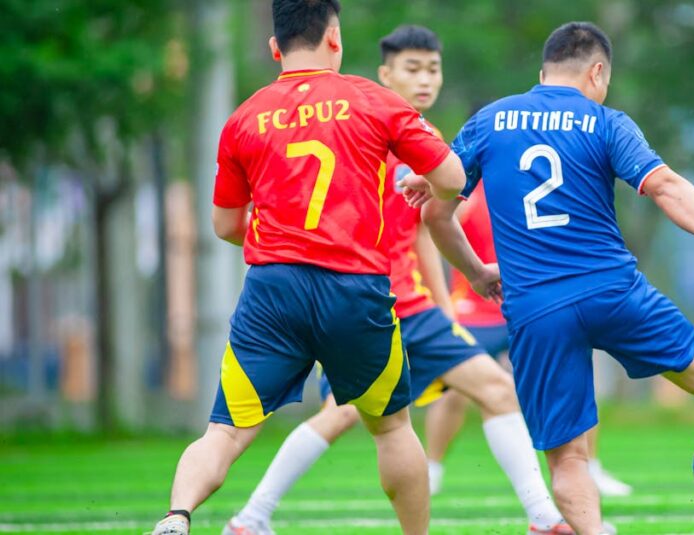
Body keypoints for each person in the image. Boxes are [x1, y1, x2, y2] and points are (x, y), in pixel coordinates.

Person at [418, 21, 694, 535]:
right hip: (611, 290)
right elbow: (664, 186)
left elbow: (436, 217)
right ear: (597, 72)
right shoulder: (605, 122)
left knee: (568, 459)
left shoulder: (487, 121)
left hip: (536, 309)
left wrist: (477, 272)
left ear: (542, 71)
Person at [222, 25, 570, 535]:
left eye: (433, 68)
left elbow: (422, 230)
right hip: (365, 303)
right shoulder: (364, 124)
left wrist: (446, 305)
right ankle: (252, 516)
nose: (425, 78)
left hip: (410, 305)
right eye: (412, 68)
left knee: (496, 390)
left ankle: (542, 516)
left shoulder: (418, 140)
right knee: (340, 416)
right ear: (385, 73)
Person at [150, 3, 468, 535]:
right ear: (335, 38)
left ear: (275, 47)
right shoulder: (373, 99)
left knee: (224, 432)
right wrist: (427, 186)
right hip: (355, 289)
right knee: (391, 429)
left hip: (272, 291)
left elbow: (225, 225)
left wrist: (282, 238)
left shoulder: (243, 118)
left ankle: (177, 517)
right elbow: (452, 177)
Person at [436, 185, 634, 497]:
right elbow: (436, 222)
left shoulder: (527, 183)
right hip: (474, 308)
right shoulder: (467, 189)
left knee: (573, 377)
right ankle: (432, 470)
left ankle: (590, 466)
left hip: (528, 303)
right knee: (454, 391)